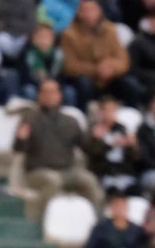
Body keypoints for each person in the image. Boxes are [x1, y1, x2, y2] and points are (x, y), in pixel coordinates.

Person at [15, 79, 104, 220]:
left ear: (59, 96)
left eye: (52, 92)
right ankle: (42, 221)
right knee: (52, 181)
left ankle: (99, 222)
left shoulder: (70, 121)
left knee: (89, 180)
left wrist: (96, 139)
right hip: (37, 172)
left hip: (67, 171)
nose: (48, 95)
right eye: (45, 92)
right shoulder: (30, 120)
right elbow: (18, 149)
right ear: (39, 96)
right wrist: (21, 139)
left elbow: (87, 148)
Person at [60, 0, 138, 108]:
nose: (89, 14)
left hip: (109, 76)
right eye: (85, 10)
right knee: (84, 84)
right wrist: (97, 69)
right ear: (79, 13)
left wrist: (112, 66)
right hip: (85, 77)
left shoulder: (110, 29)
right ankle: (82, 113)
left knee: (130, 84)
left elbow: (123, 59)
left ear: (99, 11)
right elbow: (69, 65)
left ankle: (131, 114)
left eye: (93, 9)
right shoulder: (69, 34)